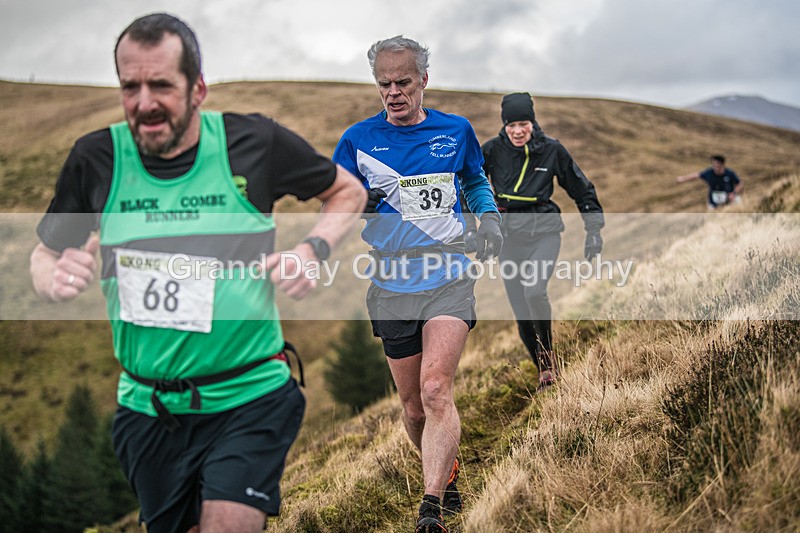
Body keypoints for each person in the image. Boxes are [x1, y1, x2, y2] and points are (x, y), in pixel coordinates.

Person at [29, 13, 365, 533]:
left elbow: (348, 191)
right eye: (130, 86)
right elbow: (44, 254)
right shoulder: (96, 158)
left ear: (198, 89)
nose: (144, 103)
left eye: (161, 85)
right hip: (148, 410)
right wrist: (52, 278)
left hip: (249, 395)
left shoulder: (251, 142)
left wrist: (313, 248)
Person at [332, 36, 502, 533]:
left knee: (435, 389)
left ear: (423, 80)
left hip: (449, 275)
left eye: (403, 82)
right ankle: (445, 476)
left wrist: (488, 218)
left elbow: (473, 180)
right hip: (390, 281)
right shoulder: (357, 140)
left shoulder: (456, 130)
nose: (394, 92)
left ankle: (431, 508)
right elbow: (339, 200)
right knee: (412, 408)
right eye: (384, 84)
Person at [481, 93, 605, 390]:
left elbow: (580, 187)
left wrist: (594, 229)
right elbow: (468, 185)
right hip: (508, 238)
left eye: (523, 123)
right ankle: (545, 371)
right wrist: (476, 227)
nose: (518, 131)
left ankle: (547, 358)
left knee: (534, 291)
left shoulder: (551, 150)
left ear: (532, 122)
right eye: (512, 125)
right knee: (520, 309)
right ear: (505, 125)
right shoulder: (491, 150)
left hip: (544, 232)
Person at [676, 154, 743, 209]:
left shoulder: (729, 173)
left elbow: (739, 184)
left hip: (729, 200)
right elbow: (696, 175)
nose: (714, 167)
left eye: (717, 165)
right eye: (713, 165)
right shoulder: (708, 173)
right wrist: (683, 179)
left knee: (739, 203)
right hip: (713, 202)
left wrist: (733, 193)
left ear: (722, 165)